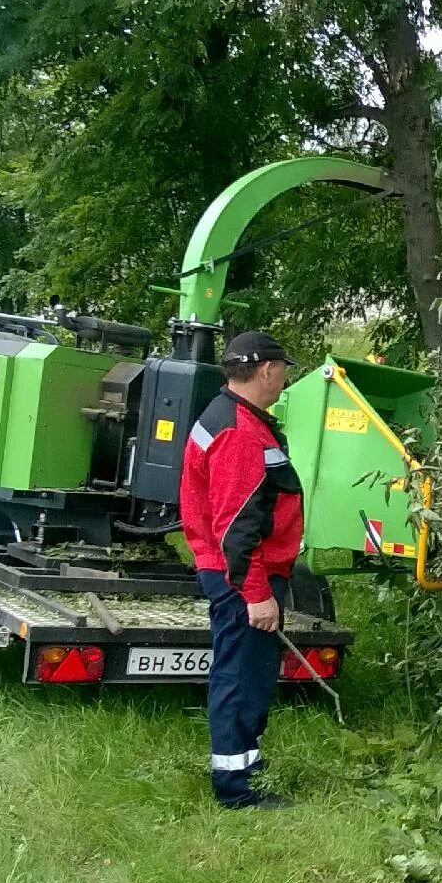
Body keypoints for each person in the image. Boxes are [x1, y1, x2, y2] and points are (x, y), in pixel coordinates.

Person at [180, 331, 304, 810]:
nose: (285, 378)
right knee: (238, 677)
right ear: (267, 369)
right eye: (284, 369)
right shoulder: (239, 432)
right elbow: (237, 527)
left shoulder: (228, 416)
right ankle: (235, 789)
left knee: (251, 674)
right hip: (241, 577)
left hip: (232, 570)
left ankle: (244, 762)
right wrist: (256, 593)